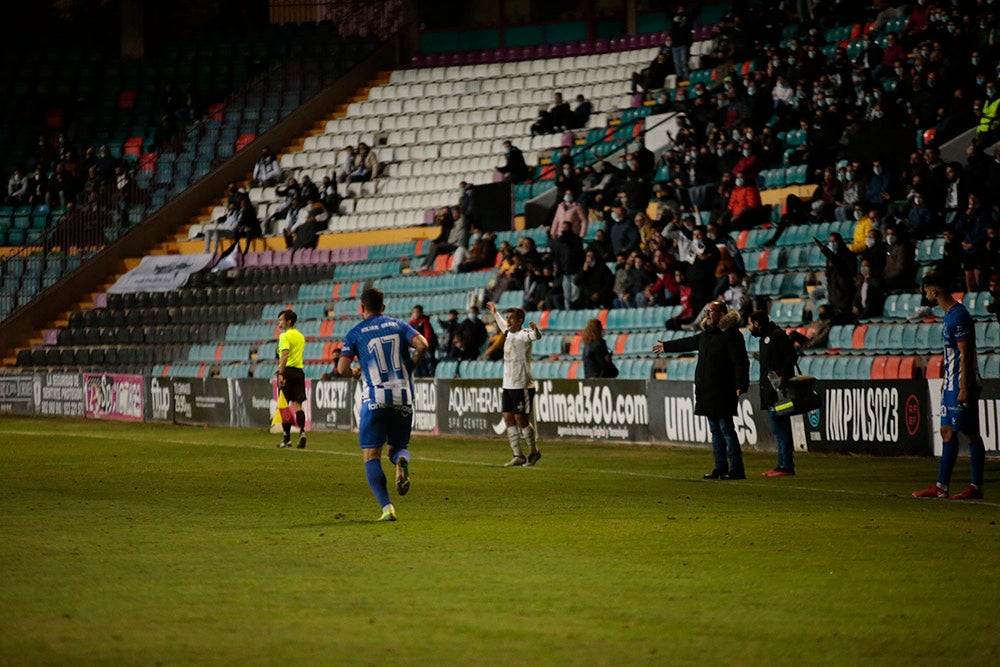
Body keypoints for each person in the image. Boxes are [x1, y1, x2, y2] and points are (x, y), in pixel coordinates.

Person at [337, 288, 429, 521]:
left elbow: (342, 368)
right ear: (383, 307)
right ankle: (401, 460)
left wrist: (354, 372)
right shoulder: (399, 325)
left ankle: (387, 508)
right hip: (403, 397)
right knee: (397, 448)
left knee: (371, 455)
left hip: (375, 399)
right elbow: (423, 345)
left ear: (361, 308)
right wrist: (411, 367)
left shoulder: (356, 333)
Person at [653, 300, 750, 479]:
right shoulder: (707, 334)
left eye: (711, 311)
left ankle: (737, 469)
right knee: (715, 430)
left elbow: (741, 362)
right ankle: (720, 467)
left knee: (726, 429)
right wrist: (667, 346)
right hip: (707, 390)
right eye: (706, 311)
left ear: (721, 314)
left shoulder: (731, 334)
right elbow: (689, 342)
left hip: (723, 389)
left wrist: (740, 384)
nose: (707, 314)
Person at [912, 271, 985, 501]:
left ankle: (975, 486)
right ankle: (941, 487)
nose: (925, 293)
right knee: (947, 431)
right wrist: (946, 380)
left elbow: (965, 355)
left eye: (926, 289)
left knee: (970, 433)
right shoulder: (950, 315)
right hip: (952, 382)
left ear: (935, 290)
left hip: (962, 382)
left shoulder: (958, 316)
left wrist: (963, 386)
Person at [485, 301, 542, 467]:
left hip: (522, 385)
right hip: (508, 385)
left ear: (520, 321)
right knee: (508, 419)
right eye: (508, 318)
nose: (508, 321)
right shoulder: (508, 333)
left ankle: (534, 451)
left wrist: (536, 330)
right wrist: (495, 313)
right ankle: (518, 455)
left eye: (511, 318)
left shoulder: (524, 335)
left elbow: (535, 336)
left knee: (521, 420)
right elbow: (502, 324)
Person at [748, 311, 798, 477]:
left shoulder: (776, 335)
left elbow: (791, 356)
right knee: (779, 428)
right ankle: (782, 464)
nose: (749, 328)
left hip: (779, 392)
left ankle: (786, 466)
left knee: (780, 427)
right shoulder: (766, 337)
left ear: (757, 324)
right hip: (771, 391)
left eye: (750, 324)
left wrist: (783, 375)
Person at [275, 309, 308, 450]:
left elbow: (285, 354)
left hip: (287, 372)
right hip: (299, 372)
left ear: (288, 322)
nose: (279, 322)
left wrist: (281, 373)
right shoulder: (300, 336)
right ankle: (302, 431)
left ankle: (287, 439)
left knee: (284, 405)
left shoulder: (284, 336)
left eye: (281, 320)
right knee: (298, 405)